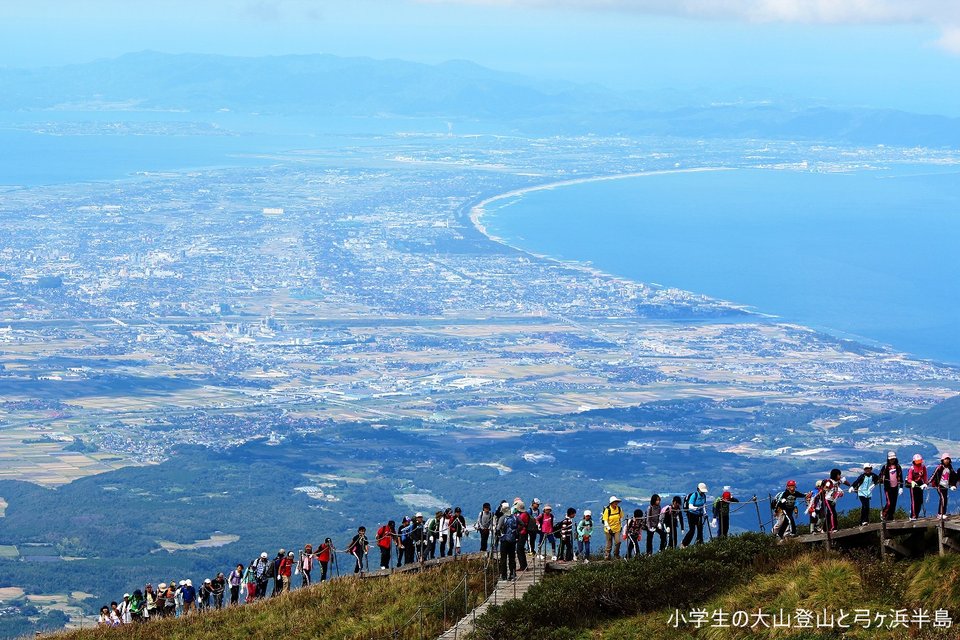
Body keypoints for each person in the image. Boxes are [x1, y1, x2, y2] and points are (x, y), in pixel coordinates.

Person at [930, 455, 957, 520]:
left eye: (948, 459)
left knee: (945, 499)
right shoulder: (939, 467)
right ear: (942, 460)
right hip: (939, 485)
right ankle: (940, 514)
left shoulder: (950, 468)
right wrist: (926, 483)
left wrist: (953, 485)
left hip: (946, 486)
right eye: (945, 459)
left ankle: (943, 513)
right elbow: (933, 475)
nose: (947, 460)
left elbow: (954, 477)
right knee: (942, 498)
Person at [879, 451, 904, 521]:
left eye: (893, 459)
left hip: (895, 487)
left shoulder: (898, 467)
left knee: (893, 504)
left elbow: (901, 477)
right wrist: (881, 480)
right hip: (887, 488)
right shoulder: (885, 467)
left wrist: (901, 487)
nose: (892, 460)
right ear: (888, 459)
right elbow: (880, 476)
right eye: (891, 459)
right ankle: (884, 513)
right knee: (889, 503)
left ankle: (890, 517)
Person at [497, 503, 519, 581]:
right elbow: (522, 524)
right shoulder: (515, 517)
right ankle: (512, 574)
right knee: (512, 558)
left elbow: (498, 528)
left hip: (504, 540)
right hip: (513, 540)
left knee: (503, 558)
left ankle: (504, 575)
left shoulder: (502, 518)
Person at [907, 454, 928, 520]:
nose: (919, 463)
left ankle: (917, 515)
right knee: (914, 500)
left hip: (920, 484)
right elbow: (909, 479)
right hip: (913, 485)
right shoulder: (912, 468)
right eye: (917, 462)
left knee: (919, 501)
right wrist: (912, 482)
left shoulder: (923, 467)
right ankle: (913, 515)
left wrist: (925, 483)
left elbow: (925, 476)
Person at [514, 499, 532, 571]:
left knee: (519, 550)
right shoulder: (525, 514)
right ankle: (524, 566)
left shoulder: (523, 515)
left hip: (522, 533)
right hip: (523, 533)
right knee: (520, 550)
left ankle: (523, 566)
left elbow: (520, 524)